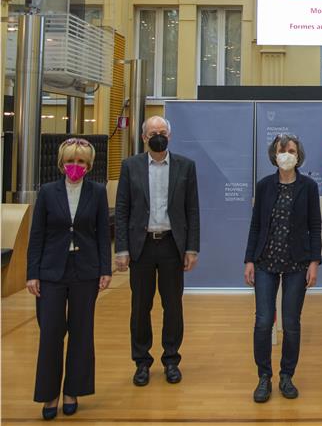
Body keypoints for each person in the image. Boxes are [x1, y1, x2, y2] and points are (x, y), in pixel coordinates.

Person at [26, 137, 111, 420]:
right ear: (62, 163)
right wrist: (32, 273)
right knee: (51, 333)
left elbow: (102, 234)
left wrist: (105, 269)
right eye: (72, 161)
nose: (76, 166)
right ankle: (49, 394)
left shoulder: (97, 192)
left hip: (85, 271)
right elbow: (36, 235)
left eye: (82, 162)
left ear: (89, 165)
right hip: (51, 271)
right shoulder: (48, 192)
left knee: (81, 332)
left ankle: (73, 390)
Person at [115, 116, 200, 387]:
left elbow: (192, 211)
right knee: (140, 307)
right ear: (143, 137)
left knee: (172, 306)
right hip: (141, 247)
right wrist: (122, 249)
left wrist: (192, 248)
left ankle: (171, 359)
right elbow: (123, 210)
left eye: (162, 132)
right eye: (153, 132)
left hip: (172, 246)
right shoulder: (130, 166)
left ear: (170, 136)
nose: (158, 136)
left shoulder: (186, 166)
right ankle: (141, 362)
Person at [244, 134, 321, 403]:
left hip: (297, 264)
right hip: (265, 260)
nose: (286, 154)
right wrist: (249, 260)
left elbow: (315, 226)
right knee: (264, 321)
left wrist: (314, 262)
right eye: (281, 150)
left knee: (291, 323)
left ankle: (287, 375)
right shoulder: (264, 186)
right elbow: (256, 226)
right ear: (273, 154)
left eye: (290, 150)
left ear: (298, 154)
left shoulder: (309, 187)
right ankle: (264, 377)